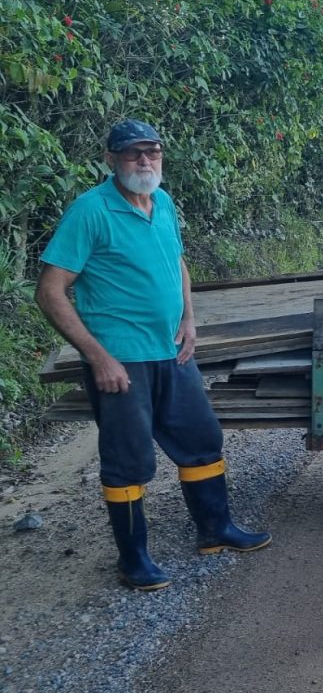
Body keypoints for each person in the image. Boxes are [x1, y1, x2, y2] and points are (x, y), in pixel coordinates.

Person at [35, 119, 271, 592]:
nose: (145, 161)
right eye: (133, 153)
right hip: (121, 361)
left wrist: (189, 317)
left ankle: (215, 529)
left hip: (171, 350)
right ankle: (134, 559)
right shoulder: (90, 211)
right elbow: (50, 291)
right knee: (128, 459)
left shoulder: (161, 200)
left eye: (153, 152)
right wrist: (98, 357)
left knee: (202, 439)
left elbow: (177, 261)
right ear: (110, 160)